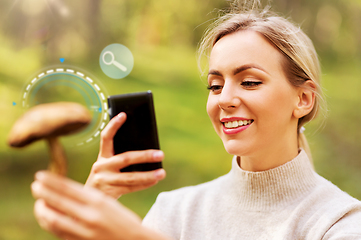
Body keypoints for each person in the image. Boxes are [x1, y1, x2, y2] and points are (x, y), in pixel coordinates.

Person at [31, 0, 361, 239]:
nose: (225, 100)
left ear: (303, 99)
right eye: (215, 85)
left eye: (249, 81)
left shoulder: (338, 221)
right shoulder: (174, 211)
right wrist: (87, 215)